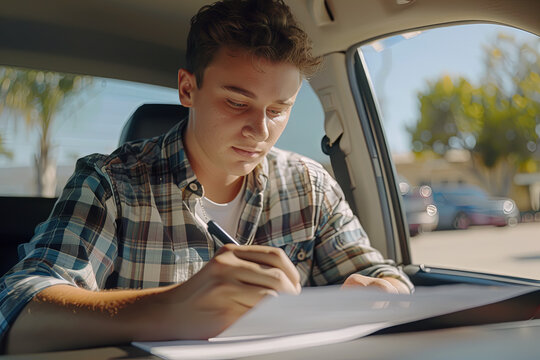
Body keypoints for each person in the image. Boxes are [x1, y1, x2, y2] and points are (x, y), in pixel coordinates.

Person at [0, 0, 413, 353]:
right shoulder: (112, 184)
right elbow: (18, 305)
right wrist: (172, 308)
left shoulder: (311, 186)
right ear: (187, 89)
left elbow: (383, 275)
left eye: (278, 110)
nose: (260, 130)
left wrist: (385, 292)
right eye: (237, 102)